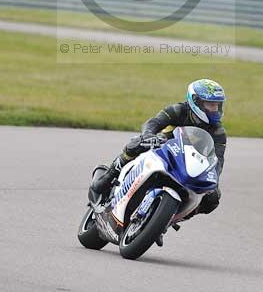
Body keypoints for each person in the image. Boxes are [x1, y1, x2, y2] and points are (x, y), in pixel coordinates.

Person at [91, 78, 226, 217]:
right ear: (195, 101)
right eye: (210, 105)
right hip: (161, 148)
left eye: (217, 105)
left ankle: (170, 218)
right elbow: (153, 122)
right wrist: (148, 135)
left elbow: (218, 160)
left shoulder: (218, 132)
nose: (215, 110)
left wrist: (213, 179)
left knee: (213, 198)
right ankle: (106, 180)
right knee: (134, 145)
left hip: (188, 163)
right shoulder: (179, 110)